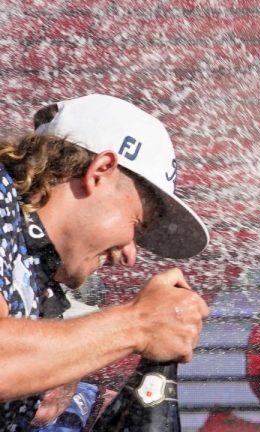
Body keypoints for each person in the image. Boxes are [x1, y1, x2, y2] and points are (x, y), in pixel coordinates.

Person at [0, 93, 210, 429]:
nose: (130, 255)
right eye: (137, 227)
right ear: (100, 171)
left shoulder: (39, 276)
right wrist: (138, 323)